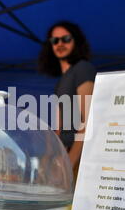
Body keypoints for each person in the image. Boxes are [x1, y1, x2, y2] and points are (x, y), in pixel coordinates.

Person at [38, 21, 97, 172]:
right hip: (64, 154)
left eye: (66, 38)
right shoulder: (62, 80)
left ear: (76, 40)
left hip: (80, 157)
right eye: (54, 40)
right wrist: (48, 158)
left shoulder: (83, 68)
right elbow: (59, 127)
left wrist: (71, 161)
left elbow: (88, 120)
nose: (60, 44)